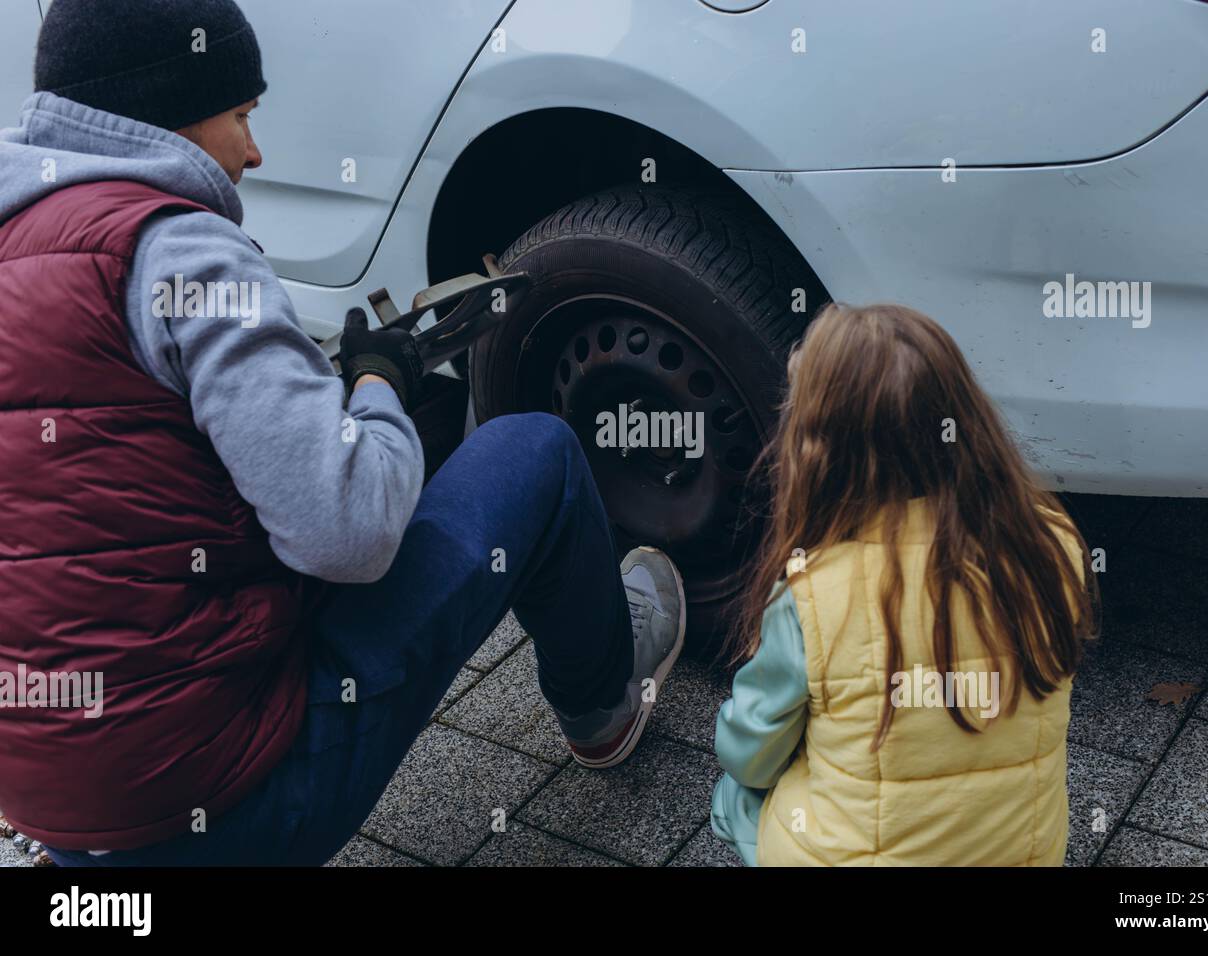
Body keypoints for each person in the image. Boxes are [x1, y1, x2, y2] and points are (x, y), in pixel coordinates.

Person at [0, 0, 684, 867]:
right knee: (535, 453)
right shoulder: (180, 254)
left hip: (64, 811)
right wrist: (377, 385)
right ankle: (606, 705)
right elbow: (349, 533)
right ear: (171, 109)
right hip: (223, 810)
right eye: (243, 117)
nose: (254, 152)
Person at [710, 303, 1097, 866]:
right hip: (1027, 855)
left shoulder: (814, 592)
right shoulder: (1050, 543)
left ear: (820, 453)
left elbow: (750, 754)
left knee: (736, 795)